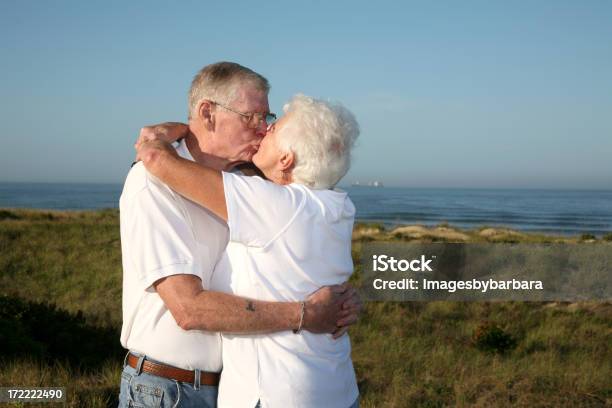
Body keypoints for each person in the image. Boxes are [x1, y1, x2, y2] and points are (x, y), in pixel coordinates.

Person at [118, 62, 360, 408]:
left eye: (268, 119)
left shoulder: (253, 186)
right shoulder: (151, 183)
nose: (263, 130)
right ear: (208, 113)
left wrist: (343, 301)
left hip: (231, 388)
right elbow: (188, 310)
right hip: (168, 389)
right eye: (252, 117)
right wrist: (307, 313)